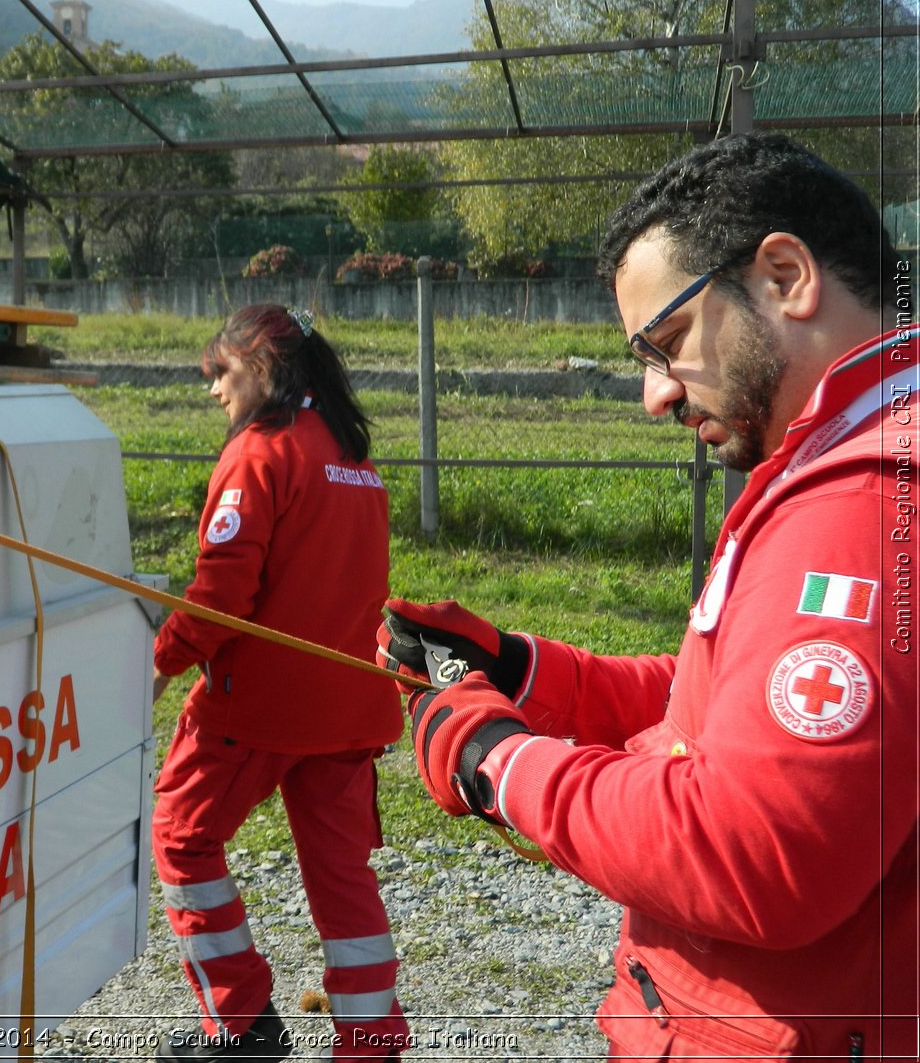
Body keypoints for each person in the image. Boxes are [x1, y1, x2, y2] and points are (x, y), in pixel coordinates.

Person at [382, 133, 917, 1060]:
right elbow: (750, 712)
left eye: (667, 344)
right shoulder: (847, 453)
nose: (654, 396)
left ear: (785, 275)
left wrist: (501, 764)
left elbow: (759, 851)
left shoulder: (867, 501)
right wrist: (530, 673)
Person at [151, 304, 408, 1063]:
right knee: (343, 881)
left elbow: (222, 595)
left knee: (181, 837)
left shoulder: (258, 454)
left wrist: (157, 663)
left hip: (258, 708)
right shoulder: (354, 458)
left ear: (261, 369)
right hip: (353, 705)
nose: (214, 392)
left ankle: (241, 1025)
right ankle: (371, 1045)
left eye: (221, 374)